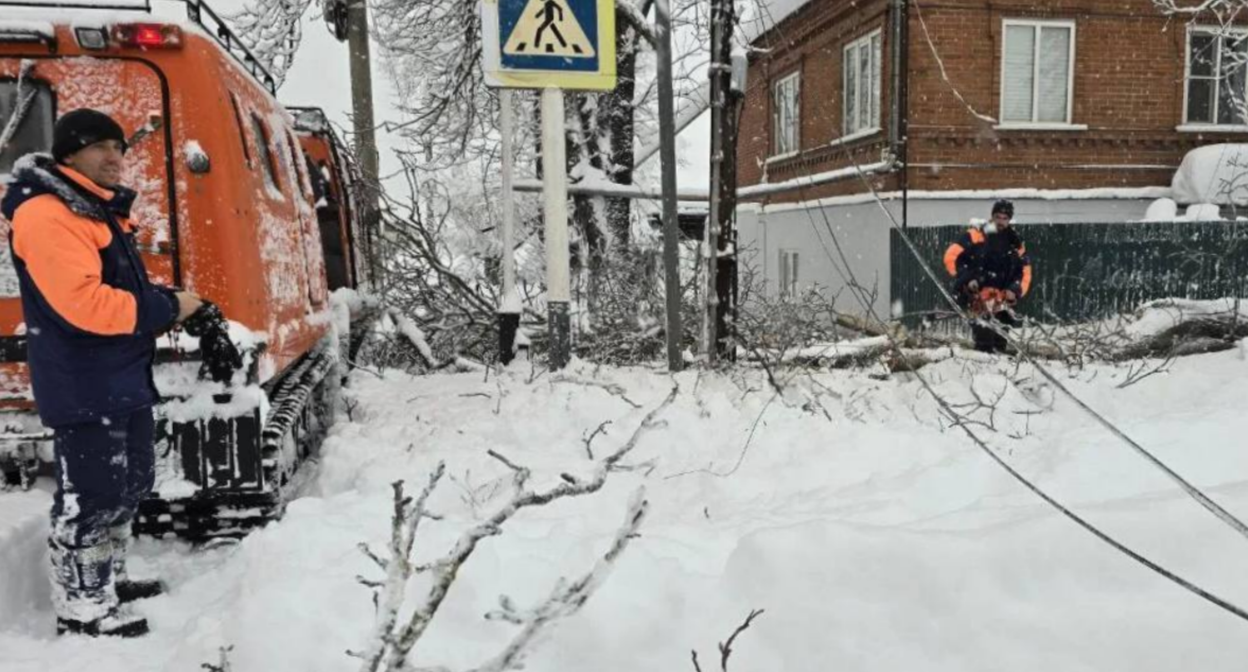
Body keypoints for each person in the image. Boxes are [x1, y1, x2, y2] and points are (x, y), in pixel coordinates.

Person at [0, 109, 203, 637]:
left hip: (117, 373)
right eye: (99, 147)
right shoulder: (48, 214)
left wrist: (166, 300)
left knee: (128, 484)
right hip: (83, 379)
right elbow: (84, 305)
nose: (114, 157)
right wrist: (167, 309)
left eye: (118, 147)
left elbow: (120, 290)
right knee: (90, 497)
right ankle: (83, 609)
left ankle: (108, 581)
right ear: (69, 154)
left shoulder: (93, 209)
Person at [943, 199, 1032, 353]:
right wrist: (967, 278)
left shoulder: (1015, 242)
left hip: (1003, 301)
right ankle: (982, 372)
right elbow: (951, 257)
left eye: (1005, 218)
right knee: (984, 342)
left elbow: (1024, 271)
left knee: (1000, 343)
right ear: (992, 216)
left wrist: (1015, 289)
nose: (1001, 221)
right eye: (998, 217)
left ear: (1010, 220)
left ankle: (998, 374)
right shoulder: (975, 235)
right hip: (978, 299)